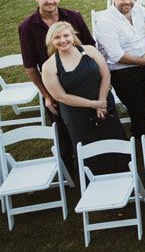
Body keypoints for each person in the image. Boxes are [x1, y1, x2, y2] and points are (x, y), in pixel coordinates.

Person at [19, 0, 95, 166]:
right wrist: (46, 95)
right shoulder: (27, 27)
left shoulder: (73, 17)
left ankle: (96, 156)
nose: (50, 1)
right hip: (54, 85)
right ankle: (71, 166)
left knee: (92, 115)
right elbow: (30, 66)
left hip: (82, 77)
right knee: (63, 128)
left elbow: (90, 46)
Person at [40, 22, 127, 174]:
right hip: (76, 113)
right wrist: (93, 104)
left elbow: (105, 75)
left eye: (66, 35)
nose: (62, 40)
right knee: (87, 148)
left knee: (113, 139)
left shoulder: (90, 51)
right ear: (51, 41)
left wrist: (102, 102)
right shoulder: (49, 66)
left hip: (104, 102)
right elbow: (60, 96)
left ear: (72, 36)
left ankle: (125, 174)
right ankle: (95, 183)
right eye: (57, 37)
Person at [94, 0, 145, 156]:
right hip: (122, 71)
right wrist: (142, 62)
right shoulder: (106, 20)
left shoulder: (139, 10)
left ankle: (137, 132)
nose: (127, 2)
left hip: (144, 64)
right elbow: (115, 55)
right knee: (136, 105)